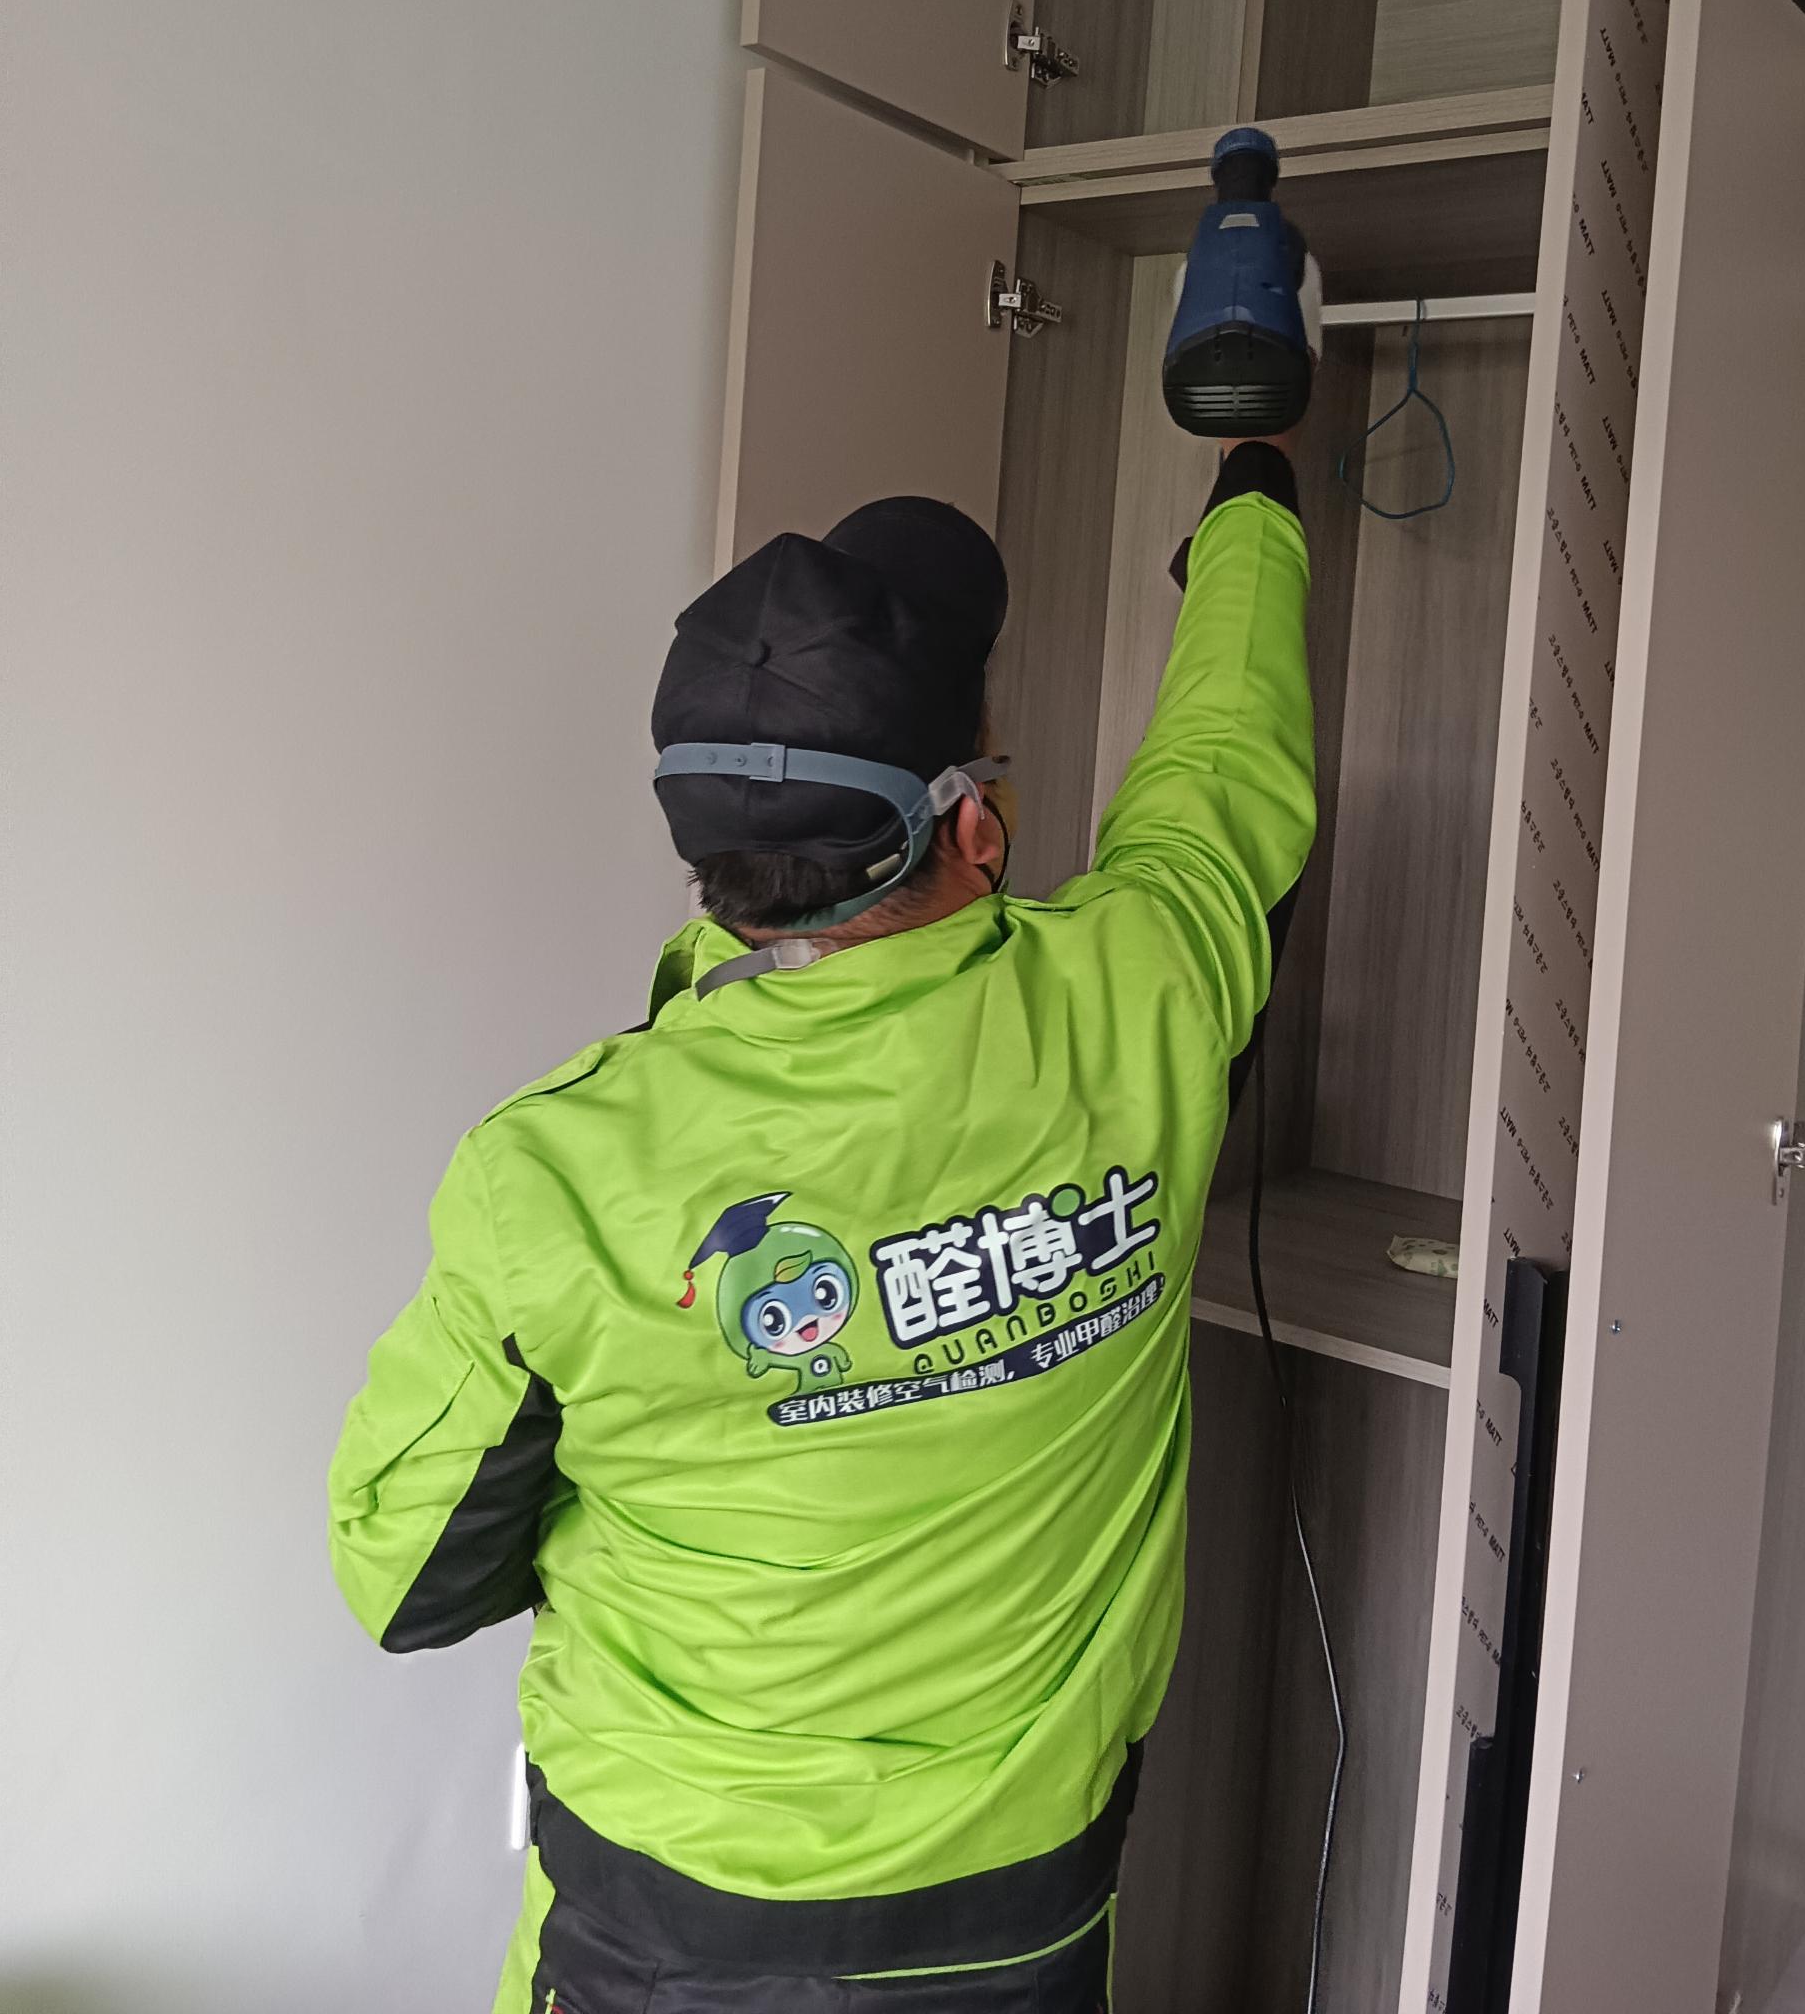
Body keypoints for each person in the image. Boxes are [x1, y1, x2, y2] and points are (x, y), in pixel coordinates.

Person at [329, 418, 1315, 2014]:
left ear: (708, 860)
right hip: (1013, 1911)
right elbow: (1226, 769)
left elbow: (407, 1573)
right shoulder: (1144, 1001)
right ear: (976, 829)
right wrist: (1254, 500)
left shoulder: (559, 1173)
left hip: (653, 1927)